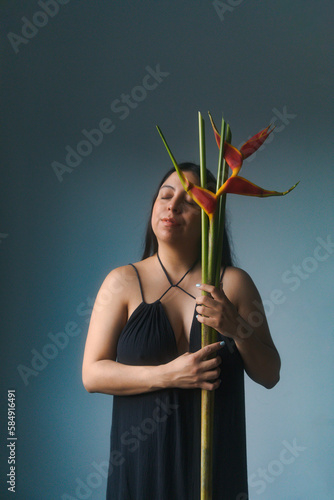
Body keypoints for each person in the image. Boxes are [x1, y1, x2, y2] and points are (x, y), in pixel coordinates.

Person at [82, 163, 281, 500]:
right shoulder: (121, 283)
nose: (172, 207)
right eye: (165, 196)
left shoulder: (233, 284)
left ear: (209, 216)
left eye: (188, 201)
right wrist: (168, 375)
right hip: (141, 468)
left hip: (214, 471)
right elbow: (93, 374)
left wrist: (238, 330)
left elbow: (270, 373)